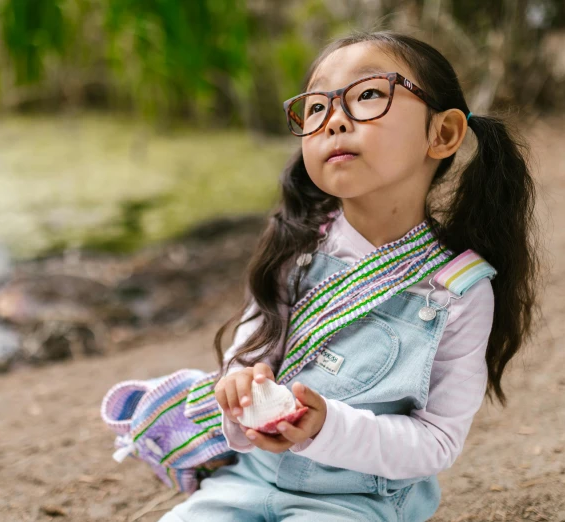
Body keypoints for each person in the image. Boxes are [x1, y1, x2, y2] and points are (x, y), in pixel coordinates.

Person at [160, 29, 539, 522]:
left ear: (442, 133)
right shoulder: (293, 249)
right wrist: (238, 386)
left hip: (359, 501)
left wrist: (326, 427)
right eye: (316, 108)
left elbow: (437, 442)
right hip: (248, 479)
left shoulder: (458, 289)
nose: (334, 120)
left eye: (368, 95)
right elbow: (248, 355)